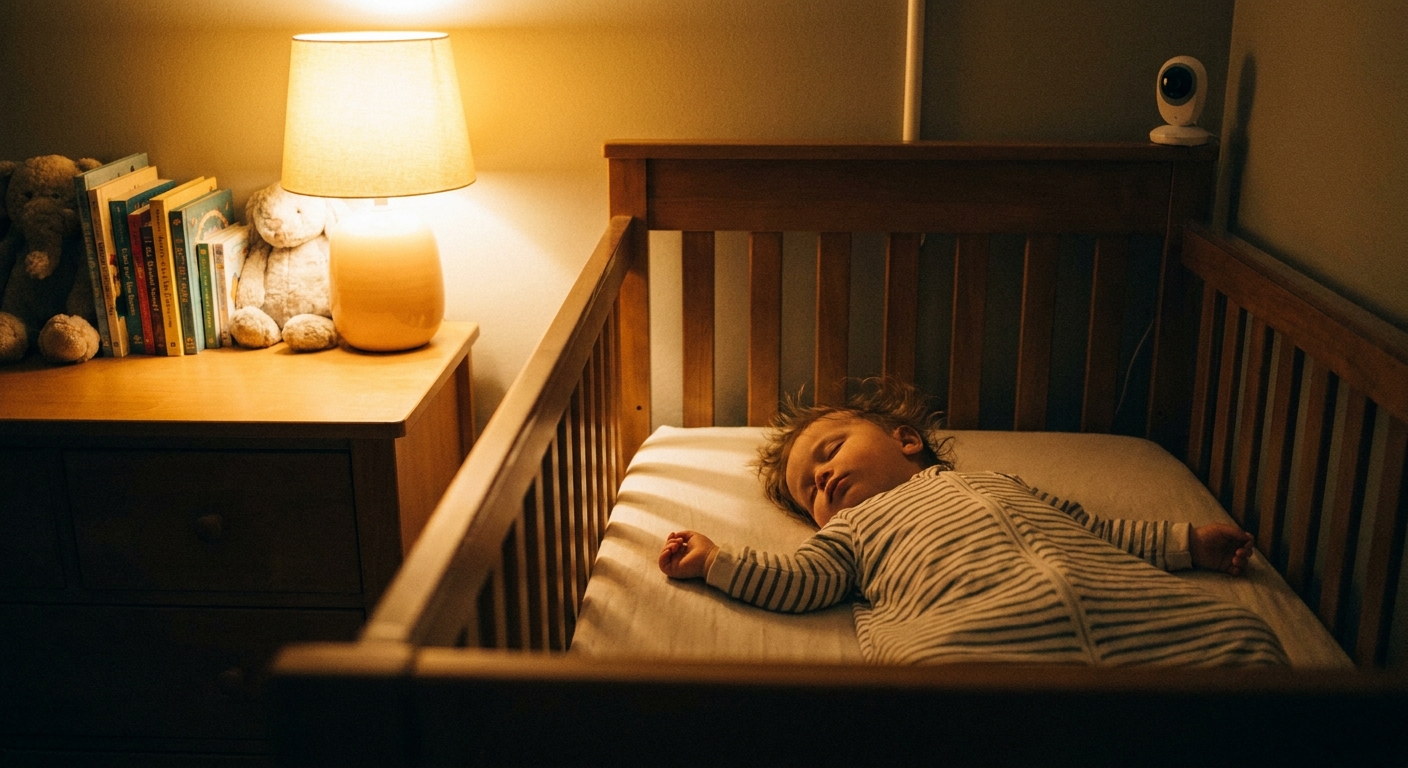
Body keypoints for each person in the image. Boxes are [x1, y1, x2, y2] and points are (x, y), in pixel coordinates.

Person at [658, 378, 1288, 666]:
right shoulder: (850, 533)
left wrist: (1189, 544)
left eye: (829, 452)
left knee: (1242, 638)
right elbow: (798, 579)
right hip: (978, 639)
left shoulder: (996, 484)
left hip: (1123, 610)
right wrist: (716, 560)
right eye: (809, 492)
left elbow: (1099, 531)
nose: (821, 479)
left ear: (906, 439)